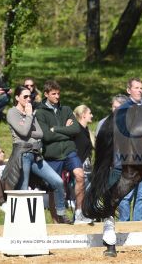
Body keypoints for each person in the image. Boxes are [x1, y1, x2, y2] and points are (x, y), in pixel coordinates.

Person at [2, 86, 71, 223]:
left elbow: (40, 133)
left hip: (36, 155)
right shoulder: (12, 113)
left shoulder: (30, 113)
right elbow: (22, 133)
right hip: (23, 154)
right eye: (25, 96)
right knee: (23, 189)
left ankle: (61, 213)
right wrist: (28, 117)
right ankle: (23, 223)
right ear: (17, 98)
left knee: (57, 181)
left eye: (30, 97)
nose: (29, 99)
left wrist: (27, 126)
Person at [35, 80, 92, 224]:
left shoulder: (66, 110)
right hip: (52, 154)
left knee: (80, 175)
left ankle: (79, 213)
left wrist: (56, 129)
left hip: (69, 150)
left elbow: (76, 130)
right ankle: (56, 221)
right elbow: (46, 136)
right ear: (46, 94)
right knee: (55, 187)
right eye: (53, 94)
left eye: (58, 93)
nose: (57, 96)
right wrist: (66, 131)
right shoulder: (40, 113)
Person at [117, 78, 142, 221]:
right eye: (136, 88)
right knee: (126, 195)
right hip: (129, 159)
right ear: (128, 90)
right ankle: (124, 223)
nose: (140, 91)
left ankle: (139, 225)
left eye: (141, 88)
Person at [73, 104, 94, 185]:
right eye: (90, 113)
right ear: (83, 115)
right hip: (78, 168)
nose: (92, 115)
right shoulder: (76, 130)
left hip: (87, 168)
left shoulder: (87, 131)